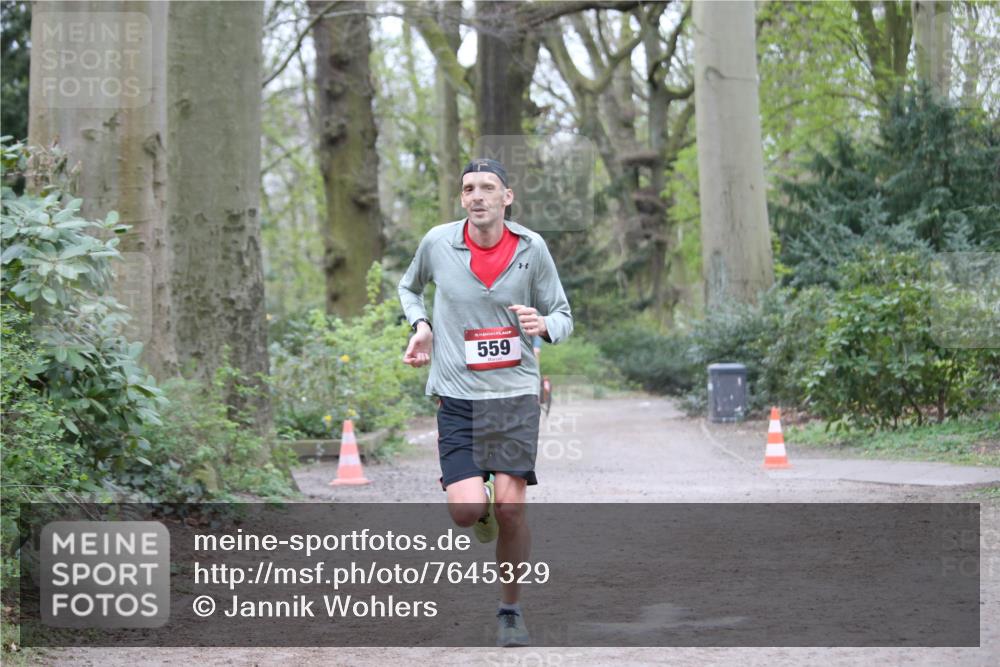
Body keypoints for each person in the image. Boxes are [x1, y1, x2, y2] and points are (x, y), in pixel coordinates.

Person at [398, 158, 573, 647]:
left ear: (506, 197)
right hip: (456, 394)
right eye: (469, 188)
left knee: (514, 509)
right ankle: (480, 506)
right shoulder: (438, 243)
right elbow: (408, 287)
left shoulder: (532, 248)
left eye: (487, 188)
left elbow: (562, 312)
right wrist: (421, 326)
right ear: (462, 199)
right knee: (464, 511)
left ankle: (510, 610)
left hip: (514, 392)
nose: (477, 196)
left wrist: (545, 327)